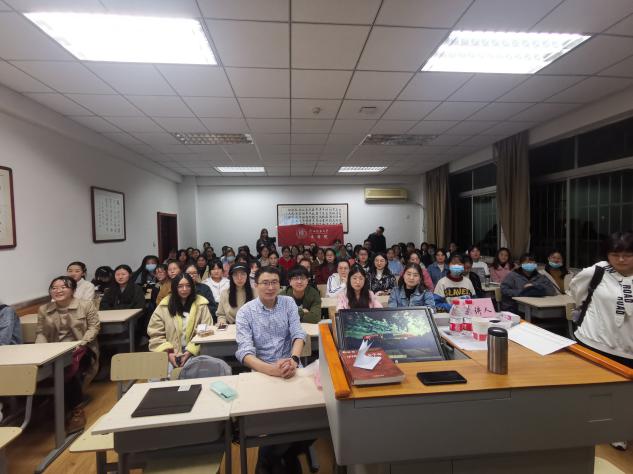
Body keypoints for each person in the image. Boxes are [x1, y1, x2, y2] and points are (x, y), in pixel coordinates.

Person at [235, 266, 307, 473]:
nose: (270, 287)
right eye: (265, 283)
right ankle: (274, 459)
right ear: (255, 285)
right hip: (263, 372)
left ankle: (277, 457)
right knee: (275, 421)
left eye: (274, 282)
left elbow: (298, 334)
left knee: (313, 416)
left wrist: (293, 360)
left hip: (292, 367)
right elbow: (245, 352)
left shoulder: (288, 302)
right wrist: (271, 370)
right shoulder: (246, 312)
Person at [572, 233, 633, 452]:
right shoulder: (597, 271)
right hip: (595, 341)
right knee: (597, 390)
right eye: (615, 254)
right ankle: (602, 430)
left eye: (628, 254)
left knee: (625, 393)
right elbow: (577, 293)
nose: (621, 259)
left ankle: (620, 428)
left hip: (628, 346)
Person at [37, 276, 100, 433]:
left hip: (82, 348)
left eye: (63, 287)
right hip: (53, 351)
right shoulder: (44, 309)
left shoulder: (85, 305)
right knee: (41, 371)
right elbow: (41, 332)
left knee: (67, 370)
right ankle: (53, 402)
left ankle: (77, 410)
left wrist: (82, 343)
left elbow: (94, 327)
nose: (58, 290)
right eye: (54, 288)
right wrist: (40, 351)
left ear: (72, 290)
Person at [148, 273, 212, 372]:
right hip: (169, 352)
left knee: (193, 373)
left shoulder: (201, 305)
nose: (184, 289)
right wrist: (169, 353)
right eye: (180, 286)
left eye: (188, 286)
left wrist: (190, 351)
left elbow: (206, 331)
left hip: (195, 351)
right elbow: (155, 333)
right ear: (174, 288)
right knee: (160, 375)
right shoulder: (164, 306)